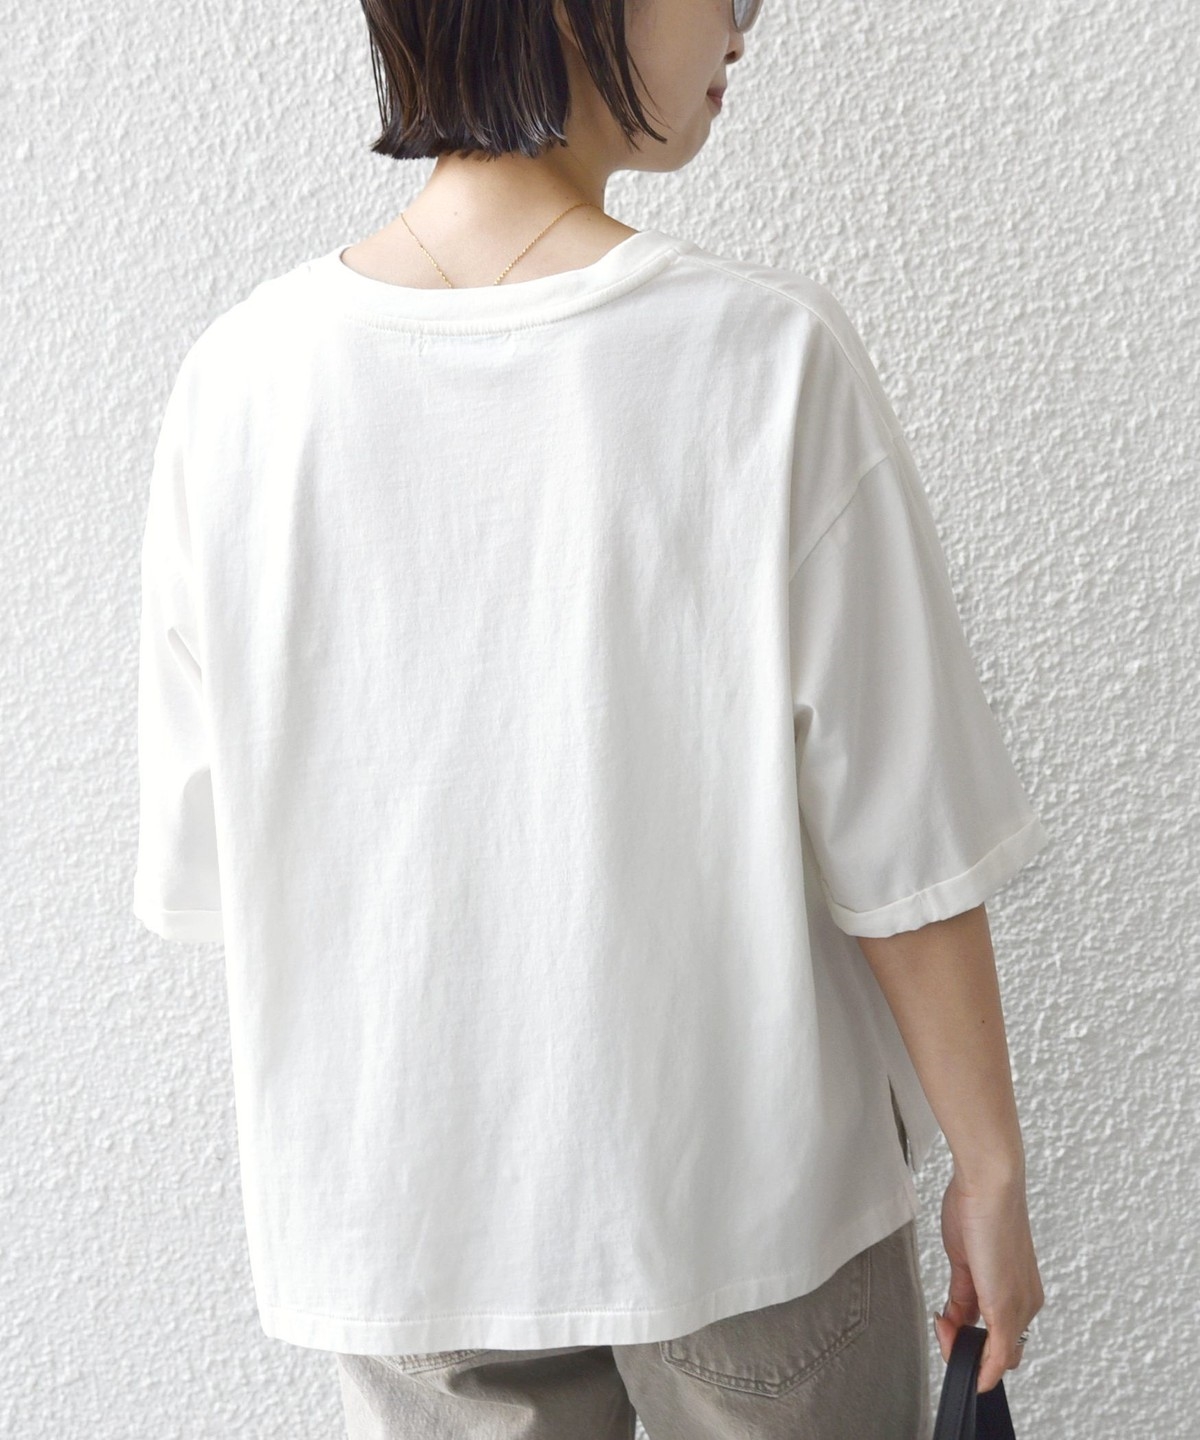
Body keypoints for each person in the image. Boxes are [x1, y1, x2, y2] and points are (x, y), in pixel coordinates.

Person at [131, 0, 1049, 1435]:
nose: (746, 26)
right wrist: (989, 1169)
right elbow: (904, 837)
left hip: (402, 1226)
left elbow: (215, 861)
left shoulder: (236, 384)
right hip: (741, 1208)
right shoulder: (763, 359)